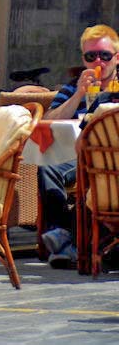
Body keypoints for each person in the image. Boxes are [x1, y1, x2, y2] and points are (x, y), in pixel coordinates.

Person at [37, 24, 119, 267]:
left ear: (116, 57)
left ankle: (69, 241)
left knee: (87, 176)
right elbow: (49, 120)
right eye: (90, 56)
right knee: (48, 166)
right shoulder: (76, 85)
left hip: (114, 160)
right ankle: (61, 232)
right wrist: (77, 95)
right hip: (80, 154)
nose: (98, 62)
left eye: (104, 55)